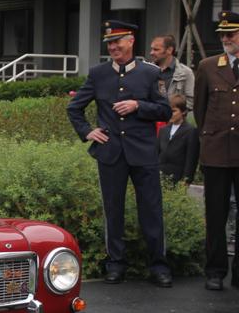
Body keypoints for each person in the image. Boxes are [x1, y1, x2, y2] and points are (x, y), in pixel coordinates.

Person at [67, 20, 172, 287]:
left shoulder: (150, 73)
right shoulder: (98, 73)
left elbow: (165, 110)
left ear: (131, 41)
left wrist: (138, 105)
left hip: (143, 152)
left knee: (151, 210)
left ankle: (158, 265)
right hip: (111, 152)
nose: (113, 47)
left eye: (118, 41)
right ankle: (115, 264)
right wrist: (88, 132)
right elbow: (74, 108)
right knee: (113, 211)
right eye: (110, 43)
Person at [193, 10, 239, 290]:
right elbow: (200, 109)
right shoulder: (208, 66)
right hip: (217, 151)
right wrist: (209, 138)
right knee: (216, 214)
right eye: (222, 34)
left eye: (230, 34)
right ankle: (215, 271)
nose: (225, 39)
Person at [157, 94, 199, 185]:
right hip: (160, 176)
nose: (170, 114)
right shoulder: (163, 130)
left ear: (183, 112)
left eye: (174, 111)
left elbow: (191, 158)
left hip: (178, 177)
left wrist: (186, 179)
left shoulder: (191, 131)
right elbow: (157, 153)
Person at [149, 34, 195, 111]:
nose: (151, 53)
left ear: (169, 50)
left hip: (173, 120)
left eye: (156, 49)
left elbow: (190, 102)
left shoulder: (186, 73)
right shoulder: (147, 70)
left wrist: (173, 112)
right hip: (151, 119)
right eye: (151, 49)